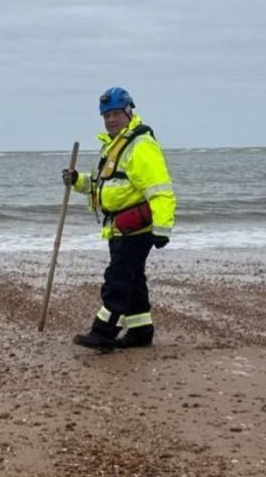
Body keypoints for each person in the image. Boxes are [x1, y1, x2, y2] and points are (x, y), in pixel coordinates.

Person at [62, 87, 175, 350]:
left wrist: (162, 228)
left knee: (118, 280)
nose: (111, 120)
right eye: (106, 115)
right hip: (118, 228)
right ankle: (140, 330)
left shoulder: (141, 145)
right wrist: (76, 180)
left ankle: (104, 332)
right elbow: (101, 185)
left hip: (136, 228)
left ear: (128, 111)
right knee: (133, 279)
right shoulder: (113, 145)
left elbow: (160, 189)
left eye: (115, 114)